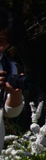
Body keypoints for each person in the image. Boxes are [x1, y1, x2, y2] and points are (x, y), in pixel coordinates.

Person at [0, 9, 25, 148]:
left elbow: (11, 113)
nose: (2, 47)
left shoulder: (8, 67)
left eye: (7, 42)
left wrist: (16, 93)